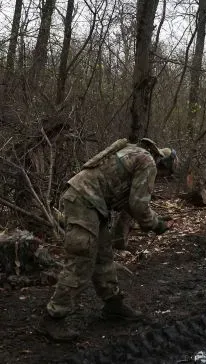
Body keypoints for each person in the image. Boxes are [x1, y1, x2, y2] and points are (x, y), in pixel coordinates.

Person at [40, 138, 178, 342]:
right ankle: (54, 317)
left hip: (93, 202)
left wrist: (156, 219)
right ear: (163, 164)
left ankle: (113, 304)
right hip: (84, 200)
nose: (161, 178)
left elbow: (130, 202)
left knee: (103, 256)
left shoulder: (137, 153)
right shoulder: (148, 162)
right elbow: (138, 206)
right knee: (81, 259)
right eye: (165, 174)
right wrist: (157, 225)